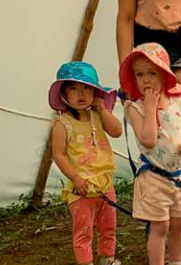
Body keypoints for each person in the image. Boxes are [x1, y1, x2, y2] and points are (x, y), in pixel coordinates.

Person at [119, 43, 181, 265]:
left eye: (152, 73)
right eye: (139, 74)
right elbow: (148, 140)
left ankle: (177, 262)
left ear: (164, 74)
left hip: (178, 176)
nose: (145, 79)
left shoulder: (179, 100)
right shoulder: (135, 108)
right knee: (160, 225)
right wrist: (151, 107)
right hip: (154, 177)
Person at [48, 61, 123, 265]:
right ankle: (86, 262)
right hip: (81, 189)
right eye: (74, 88)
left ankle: (107, 258)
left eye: (86, 88)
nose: (81, 94)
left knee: (108, 225)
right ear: (64, 93)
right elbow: (59, 154)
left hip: (105, 185)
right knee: (84, 230)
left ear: (95, 92)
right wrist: (75, 178)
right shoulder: (62, 124)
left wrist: (103, 109)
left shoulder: (97, 116)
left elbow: (117, 132)